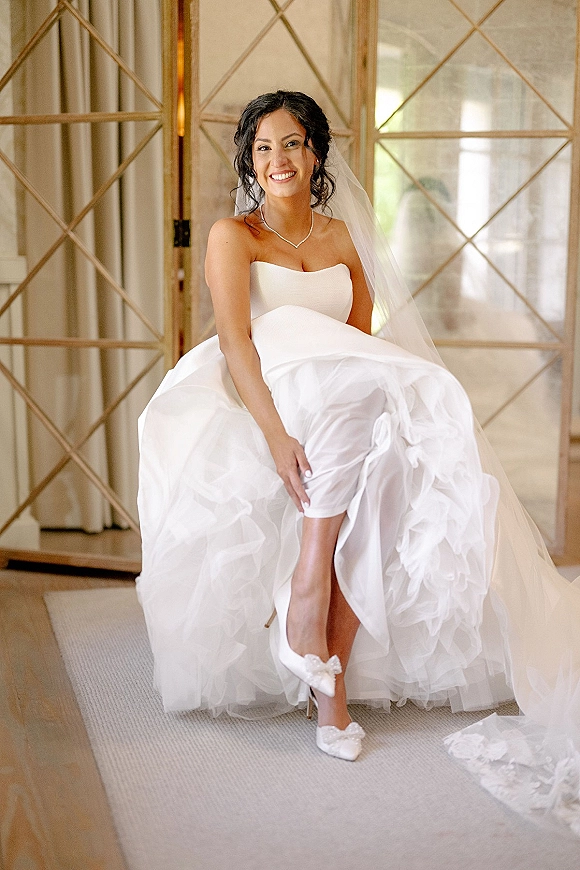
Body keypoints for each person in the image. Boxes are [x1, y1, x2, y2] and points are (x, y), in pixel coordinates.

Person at [137, 91, 580, 828]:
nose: (277, 160)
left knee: (383, 435)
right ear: (251, 163)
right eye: (262, 149)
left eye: (291, 144)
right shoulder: (231, 236)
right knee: (357, 411)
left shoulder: (343, 238)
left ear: (315, 154)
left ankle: (314, 603)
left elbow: (362, 339)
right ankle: (325, 670)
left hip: (343, 386)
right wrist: (277, 436)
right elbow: (238, 342)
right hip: (273, 386)